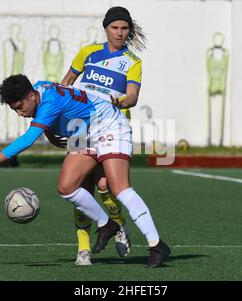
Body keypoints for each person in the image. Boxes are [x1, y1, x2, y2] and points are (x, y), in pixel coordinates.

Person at [0, 74, 171, 268]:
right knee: (66, 187)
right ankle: (106, 224)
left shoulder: (48, 102)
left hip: (109, 124)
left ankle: (156, 245)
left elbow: (28, 139)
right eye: (15, 110)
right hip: (85, 131)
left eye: (20, 107)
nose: (20, 113)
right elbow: (63, 108)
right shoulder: (38, 88)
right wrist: (52, 129)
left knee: (120, 188)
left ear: (31, 96)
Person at [61, 6, 146, 265]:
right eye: (114, 28)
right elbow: (66, 84)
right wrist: (60, 113)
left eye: (124, 28)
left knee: (105, 186)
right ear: (106, 28)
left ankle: (118, 225)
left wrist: (121, 101)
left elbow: (132, 95)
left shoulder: (133, 62)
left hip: (112, 128)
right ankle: (83, 249)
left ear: (129, 31)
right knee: (79, 187)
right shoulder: (88, 53)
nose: (119, 33)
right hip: (82, 126)